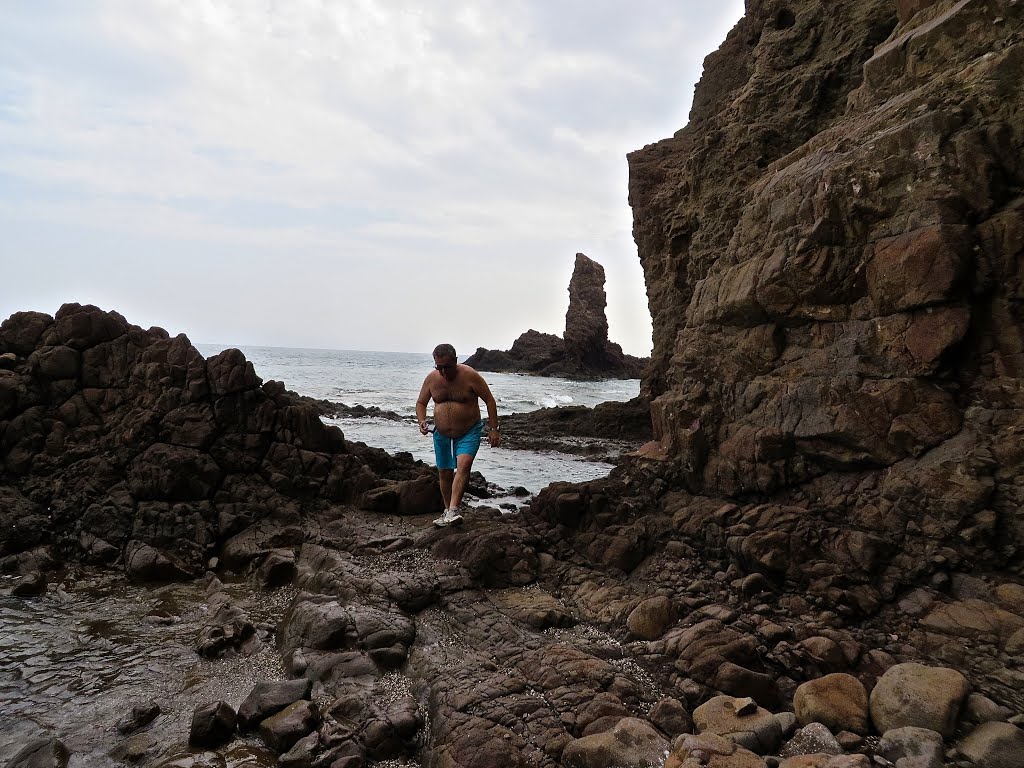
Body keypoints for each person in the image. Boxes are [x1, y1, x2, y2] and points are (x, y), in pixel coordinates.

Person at [416, 343, 500, 526]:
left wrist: (494, 430)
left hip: (469, 431)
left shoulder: (470, 376)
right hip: (441, 433)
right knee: (445, 472)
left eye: (447, 367)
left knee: (464, 465)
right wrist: (421, 421)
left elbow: (490, 401)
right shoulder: (432, 379)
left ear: (455, 360)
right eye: (439, 367)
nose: (443, 372)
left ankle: (454, 509)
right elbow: (421, 402)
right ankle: (448, 512)